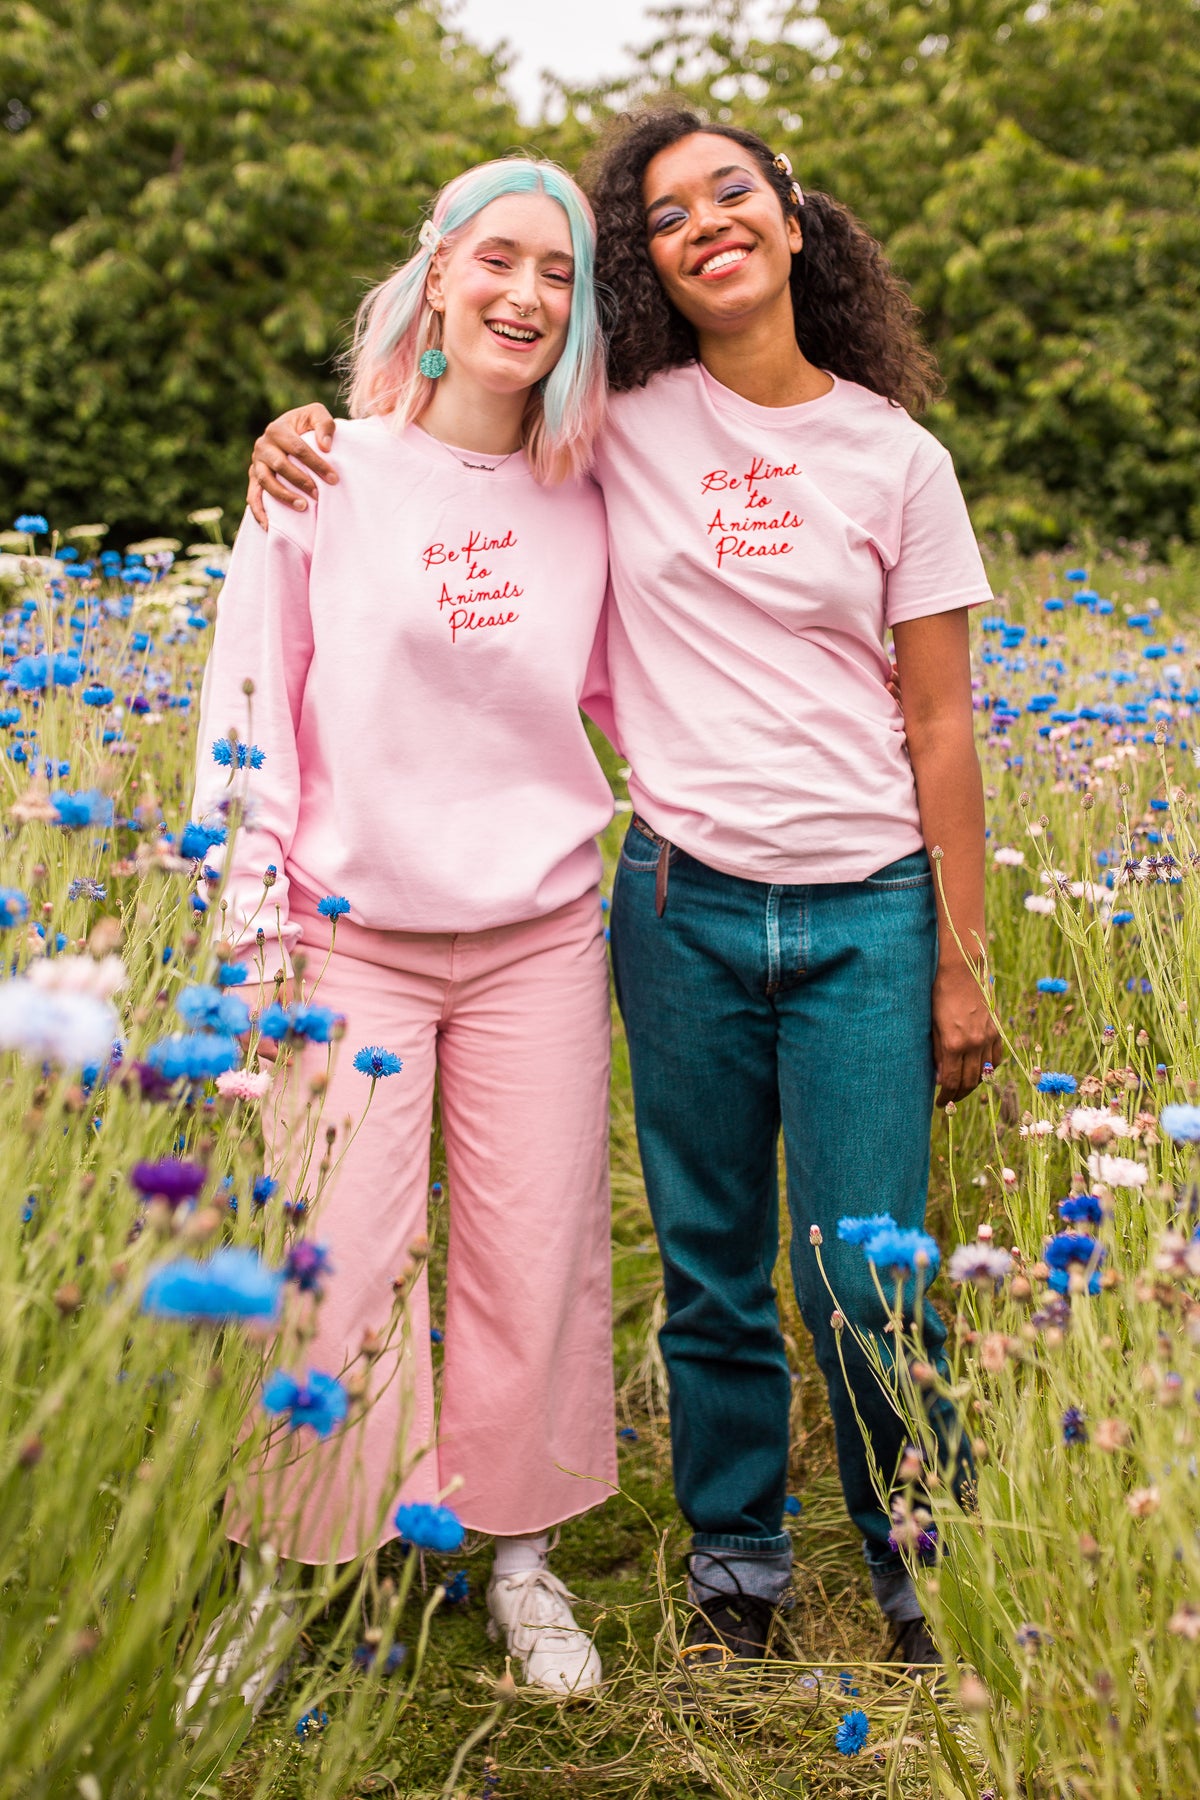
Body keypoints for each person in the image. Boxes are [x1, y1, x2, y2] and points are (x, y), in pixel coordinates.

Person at [247, 106, 1003, 1674]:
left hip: (805, 907)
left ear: (796, 220)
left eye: (733, 192)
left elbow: (931, 715)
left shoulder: (832, 458)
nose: (706, 223)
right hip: (641, 906)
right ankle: (700, 1551)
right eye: (662, 215)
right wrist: (306, 430)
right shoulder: (553, 441)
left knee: (848, 1258)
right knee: (685, 1258)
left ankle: (906, 1549)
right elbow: (344, 592)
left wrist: (963, 953)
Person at [191, 156, 618, 1705]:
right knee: (337, 1258)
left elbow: (647, 690)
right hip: (343, 933)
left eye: (558, 272)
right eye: (497, 259)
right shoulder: (321, 480)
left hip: (538, 935)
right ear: (436, 274)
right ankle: (289, 1563)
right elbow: (251, 706)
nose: (525, 294)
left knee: (536, 1247)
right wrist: (249, 935)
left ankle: (519, 1556)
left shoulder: (594, 494)